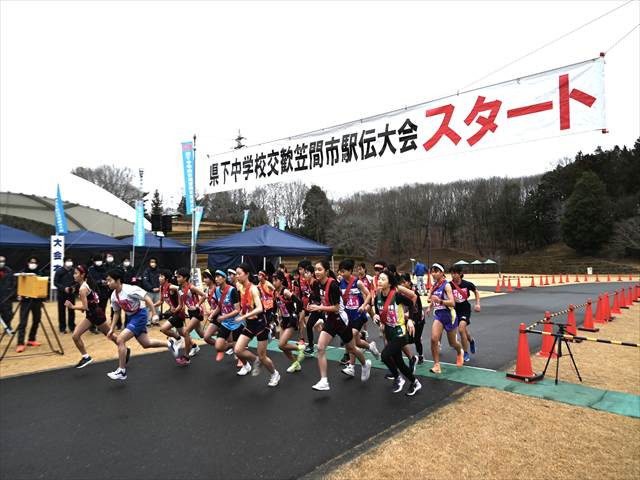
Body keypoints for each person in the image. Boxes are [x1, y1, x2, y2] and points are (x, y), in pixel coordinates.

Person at [310, 261, 371, 392]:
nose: (316, 272)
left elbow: (336, 308)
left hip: (341, 320)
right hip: (330, 320)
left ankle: (365, 364)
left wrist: (320, 308)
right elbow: (317, 302)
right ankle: (324, 380)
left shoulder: (332, 285)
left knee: (352, 348)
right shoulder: (316, 284)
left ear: (326, 271)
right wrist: (319, 319)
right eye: (315, 269)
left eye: (319, 269)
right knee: (320, 347)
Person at [105, 269, 169, 380]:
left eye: (110, 280)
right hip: (131, 317)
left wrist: (154, 314)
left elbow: (147, 298)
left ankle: (122, 371)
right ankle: (169, 344)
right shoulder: (113, 296)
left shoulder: (130, 289)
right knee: (146, 343)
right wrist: (111, 328)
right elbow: (116, 312)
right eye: (107, 281)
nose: (108, 283)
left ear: (118, 280)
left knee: (120, 340)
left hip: (140, 315)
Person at [373, 270, 422, 395]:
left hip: (400, 332)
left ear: (389, 283)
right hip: (388, 332)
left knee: (385, 355)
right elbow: (379, 313)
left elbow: (411, 303)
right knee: (399, 363)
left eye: (383, 279)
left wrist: (410, 319)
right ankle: (415, 382)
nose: (379, 281)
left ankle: (398, 378)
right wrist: (376, 318)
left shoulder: (396, 295)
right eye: (379, 279)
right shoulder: (377, 297)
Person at [233, 263, 280, 387]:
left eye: (239, 274)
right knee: (238, 350)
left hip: (260, 324)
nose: (237, 276)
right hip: (249, 324)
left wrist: (243, 316)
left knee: (263, 356)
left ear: (247, 274)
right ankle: (254, 362)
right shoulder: (239, 286)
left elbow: (259, 308)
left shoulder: (253, 289)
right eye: (236, 274)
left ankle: (275, 374)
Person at [65, 265, 120, 368]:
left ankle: (124, 347)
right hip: (92, 314)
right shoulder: (84, 285)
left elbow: (85, 307)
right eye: (74, 273)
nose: (74, 275)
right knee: (75, 336)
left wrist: (72, 307)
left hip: (96, 315)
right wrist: (83, 308)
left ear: (82, 275)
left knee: (110, 335)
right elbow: (89, 303)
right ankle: (86, 357)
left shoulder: (83, 289)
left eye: (76, 273)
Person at [338, 259, 380, 377]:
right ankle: (370, 346)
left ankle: (351, 367)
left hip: (359, 315)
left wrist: (363, 305)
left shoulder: (358, 282)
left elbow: (369, 294)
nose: (341, 273)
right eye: (340, 271)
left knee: (351, 337)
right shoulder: (340, 283)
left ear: (350, 271)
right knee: (356, 342)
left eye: (343, 271)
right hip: (348, 316)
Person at [426, 263, 464, 374]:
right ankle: (437, 365)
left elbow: (452, 303)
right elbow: (432, 299)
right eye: (432, 271)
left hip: (449, 315)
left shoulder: (446, 285)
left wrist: (440, 301)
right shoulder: (434, 286)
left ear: (442, 273)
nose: (433, 274)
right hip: (439, 315)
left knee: (453, 343)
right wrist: (430, 306)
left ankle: (459, 351)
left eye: (436, 271)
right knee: (434, 339)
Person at [272, 271, 306, 373]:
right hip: (284, 320)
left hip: (291, 319)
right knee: (283, 347)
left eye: (276, 280)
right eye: (272, 280)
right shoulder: (275, 292)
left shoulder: (285, 292)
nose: (274, 282)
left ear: (281, 281)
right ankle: (296, 364)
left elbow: (299, 302)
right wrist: (273, 317)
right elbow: (275, 306)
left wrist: (297, 313)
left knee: (281, 344)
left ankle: (300, 347)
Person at [209, 269, 243, 364]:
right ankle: (232, 346)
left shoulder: (232, 290)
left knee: (238, 351)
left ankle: (241, 357)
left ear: (224, 278)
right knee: (218, 346)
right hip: (226, 323)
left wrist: (223, 317)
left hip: (236, 322)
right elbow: (220, 306)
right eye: (215, 277)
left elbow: (237, 309)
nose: (216, 279)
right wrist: (212, 314)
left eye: (218, 277)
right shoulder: (216, 290)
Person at [449, 265, 481, 362]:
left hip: (465, 309)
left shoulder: (467, 284)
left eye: (455, 273)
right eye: (451, 273)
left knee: (461, 329)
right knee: (464, 331)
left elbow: (476, 291)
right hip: (454, 310)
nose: (453, 275)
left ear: (460, 274)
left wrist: (478, 304)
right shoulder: (449, 285)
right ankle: (471, 341)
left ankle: (465, 353)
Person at [175, 268, 206, 363]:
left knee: (186, 331)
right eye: (177, 277)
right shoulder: (179, 289)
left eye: (179, 277)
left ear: (185, 278)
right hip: (191, 313)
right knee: (203, 335)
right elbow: (181, 305)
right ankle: (223, 336)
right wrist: (174, 311)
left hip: (198, 312)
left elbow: (204, 295)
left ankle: (186, 357)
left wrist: (197, 305)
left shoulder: (191, 287)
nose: (177, 278)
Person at [156, 269, 186, 365]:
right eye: (159, 276)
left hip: (179, 313)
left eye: (161, 276)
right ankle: (194, 346)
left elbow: (180, 289)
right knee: (184, 333)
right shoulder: (161, 287)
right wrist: (151, 305)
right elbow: (161, 301)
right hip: (174, 313)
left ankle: (178, 339)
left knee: (164, 329)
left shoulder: (171, 287)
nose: (159, 278)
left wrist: (179, 305)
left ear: (167, 278)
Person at [15, 257, 44, 353]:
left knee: (37, 320)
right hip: (25, 301)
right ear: (28, 263)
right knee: (23, 322)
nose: (33, 264)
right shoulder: (23, 272)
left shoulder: (40, 273)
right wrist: (19, 294)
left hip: (36, 301)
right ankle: (20, 343)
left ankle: (31, 339)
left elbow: (42, 286)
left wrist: (42, 299)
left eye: (35, 262)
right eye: (31, 262)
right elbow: (18, 285)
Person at [400, 273, 426, 364]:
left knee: (417, 339)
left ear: (408, 282)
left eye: (404, 282)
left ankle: (421, 355)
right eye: (401, 282)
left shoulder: (414, 292)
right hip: (408, 318)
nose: (402, 284)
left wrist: (415, 320)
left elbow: (419, 309)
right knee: (407, 339)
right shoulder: (401, 292)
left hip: (418, 318)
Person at [54, 256, 76, 334]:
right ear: (64, 262)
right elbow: (55, 282)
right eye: (68, 261)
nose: (69, 262)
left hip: (71, 294)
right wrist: (64, 288)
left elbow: (76, 281)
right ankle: (62, 328)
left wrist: (74, 287)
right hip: (62, 294)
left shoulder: (73, 271)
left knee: (72, 310)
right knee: (61, 311)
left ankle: (72, 327)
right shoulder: (59, 271)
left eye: (71, 261)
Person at [88, 256, 109, 333]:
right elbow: (90, 281)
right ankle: (92, 326)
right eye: (97, 260)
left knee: (102, 309)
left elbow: (108, 277)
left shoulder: (104, 268)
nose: (99, 262)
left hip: (104, 292)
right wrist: (100, 282)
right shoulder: (91, 269)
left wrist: (107, 282)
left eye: (100, 260)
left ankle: (101, 326)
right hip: (95, 293)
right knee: (94, 309)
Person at [142, 257, 161, 325]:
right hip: (149, 292)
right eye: (151, 262)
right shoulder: (146, 271)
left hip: (158, 292)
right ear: (149, 263)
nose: (153, 263)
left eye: (154, 262)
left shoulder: (159, 271)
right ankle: (147, 321)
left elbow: (161, 280)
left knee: (157, 307)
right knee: (148, 307)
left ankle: (155, 321)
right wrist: (152, 288)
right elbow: (145, 281)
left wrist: (159, 288)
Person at [0, 255, 16, 331]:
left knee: (8, 314)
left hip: (6, 297)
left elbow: (13, 283)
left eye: (3, 261)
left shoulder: (9, 271)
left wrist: (11, 293)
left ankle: (7, 327)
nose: (1, 263)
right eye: (0, 261)